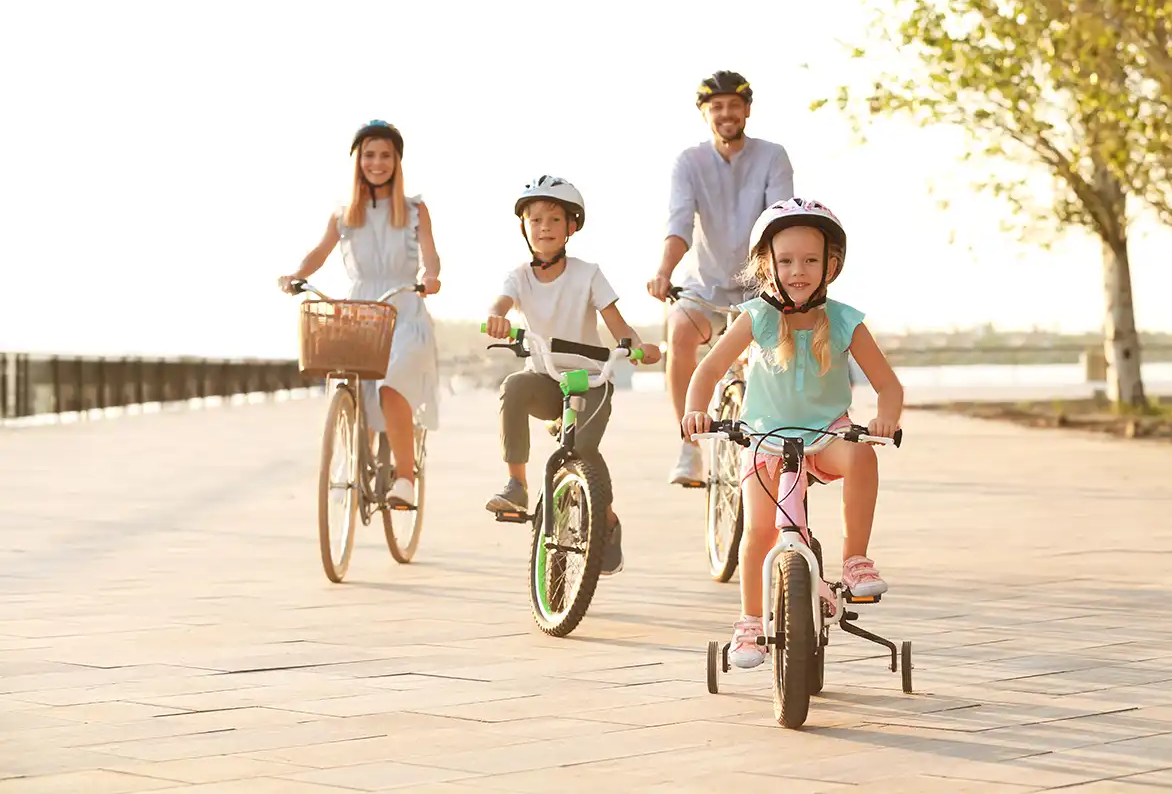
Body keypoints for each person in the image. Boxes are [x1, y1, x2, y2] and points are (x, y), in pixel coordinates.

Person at [680, 197, 904, 669]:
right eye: (786, 261)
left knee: (863, 455)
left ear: (830, 265)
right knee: (759, 530)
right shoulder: (757, 316)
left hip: (826, 436)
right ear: (768, 266)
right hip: (764, 439)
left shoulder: (844, 320)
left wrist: (886, 418)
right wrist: (695, 410)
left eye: (809, 260)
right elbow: (710, 368)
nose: (798, 270)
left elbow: (888, 385)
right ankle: (749, 621)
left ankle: (855, 559)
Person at [484, 175, 662, 576]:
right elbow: (502, 302)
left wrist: (637, 346)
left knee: (583, 448)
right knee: (512, 387)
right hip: (546, 378)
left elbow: (618, 325)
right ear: (524, 228)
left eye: (553, 219)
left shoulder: (588, 274)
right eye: (535, 220)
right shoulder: (519, 276)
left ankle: (607, 522)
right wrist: (496, 317)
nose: (543, 227)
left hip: (590, 381)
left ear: (572, 227)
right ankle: (516, 485)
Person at [278, 120, 441, 508]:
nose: (377, 162)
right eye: (369, 155)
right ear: (357, 160)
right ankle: (353, 463)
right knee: (353, 386)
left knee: (391, 383)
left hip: (404, 307)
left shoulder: (416, 210)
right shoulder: (343, 215)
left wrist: (431, 275)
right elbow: (318, 253)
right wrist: (297, 275)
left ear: (397, 161)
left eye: (386, 155)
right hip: (361, 312)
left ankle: (404, 479)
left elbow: (431, 254)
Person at [646, 70, 795, 486]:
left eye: (734, 105)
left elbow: (779, 222)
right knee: (679, 334)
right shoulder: (689, 162)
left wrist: (784, 279)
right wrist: (663, 272)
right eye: (717, 108)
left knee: (780, 357)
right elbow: (679, 224)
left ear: (747, 110)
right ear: (705, 114)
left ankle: (785, 446)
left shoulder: (772, 156)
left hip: (760, 285)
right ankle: (689, 447)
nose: (726, 113)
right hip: (704, 284)